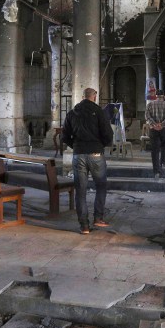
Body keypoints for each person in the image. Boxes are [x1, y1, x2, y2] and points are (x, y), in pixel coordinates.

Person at [62, 87, 114, 234]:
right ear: (94, 96)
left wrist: (77, 146)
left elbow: (64, 136)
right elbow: (108, 134)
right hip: (96, 154)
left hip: (78, 155)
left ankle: (84, 226)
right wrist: (98, 145)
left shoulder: (72, 113)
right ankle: (98, 218)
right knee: (101, 186)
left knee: (81, 191)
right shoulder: (99, 112)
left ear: (83, 96)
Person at [145, 90, 165, 179]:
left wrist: (154, 124)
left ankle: (156, 171)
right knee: (164, 145)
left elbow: (147, 116)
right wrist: (162, 124)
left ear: (156, 96)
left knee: (155, 149)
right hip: (164, 129)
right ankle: (162, 162)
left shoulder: (150, 104)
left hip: (153, 129)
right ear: (164, 96)